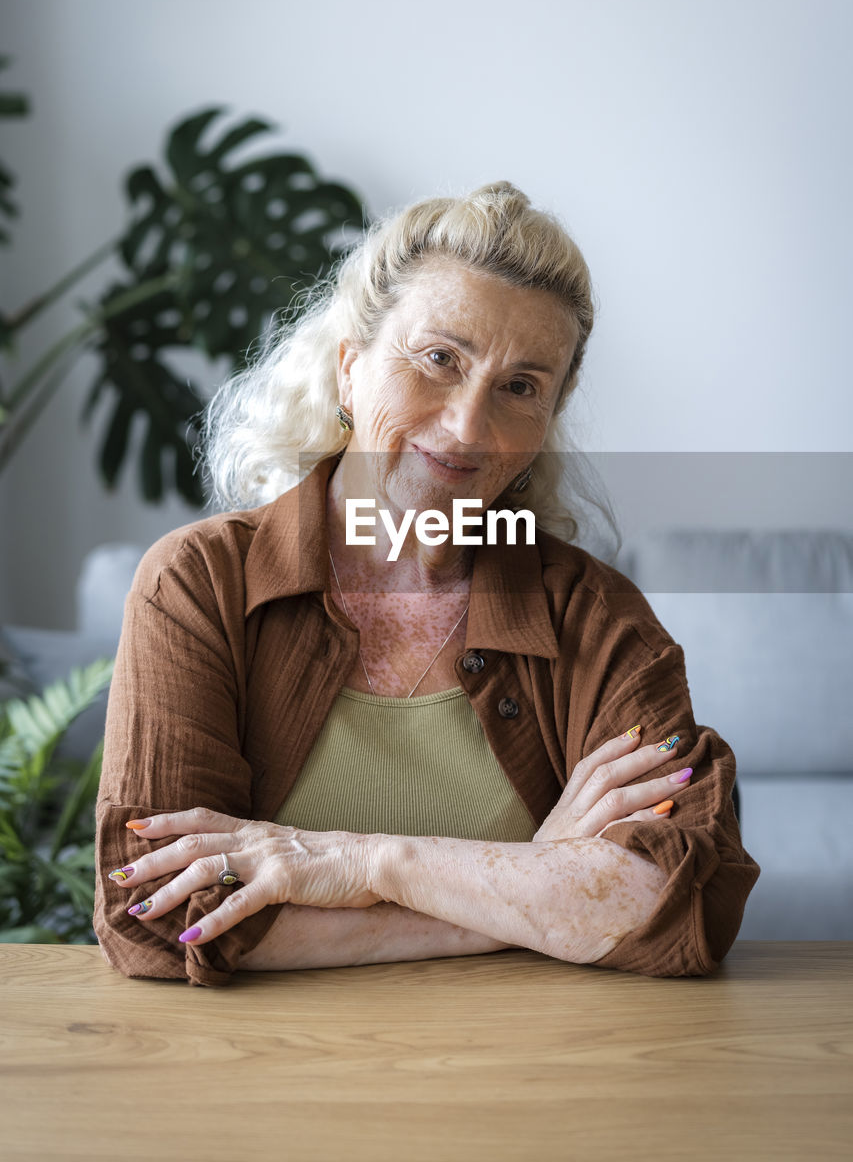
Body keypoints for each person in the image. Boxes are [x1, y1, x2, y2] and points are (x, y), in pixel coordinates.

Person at [94, 182, 759, 986]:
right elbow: (158, 920)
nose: (467, 427)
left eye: (520, 387)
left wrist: (369, 864)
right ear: (349, 369)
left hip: (539, 1079)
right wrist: (528, 881)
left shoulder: (592, 612)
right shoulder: (198, 584)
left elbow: (678, 903)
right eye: (438, 359)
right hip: (264, 1084)